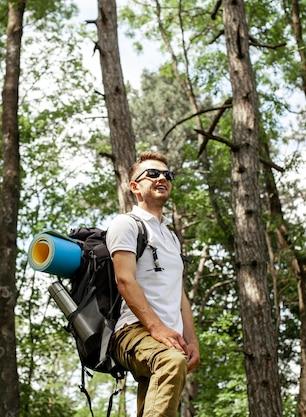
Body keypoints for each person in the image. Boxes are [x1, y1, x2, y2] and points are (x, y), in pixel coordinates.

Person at [106, 151, 200, 417]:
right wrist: (157, 328)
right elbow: (124, 279)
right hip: (133, 332)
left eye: (167, 175)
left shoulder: (171, 238)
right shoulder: (126, 224)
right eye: (153, 174)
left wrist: (191, 341)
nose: (162, 178)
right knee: (170, 362)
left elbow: (179, 294)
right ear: (135, 186)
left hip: (168, 340)